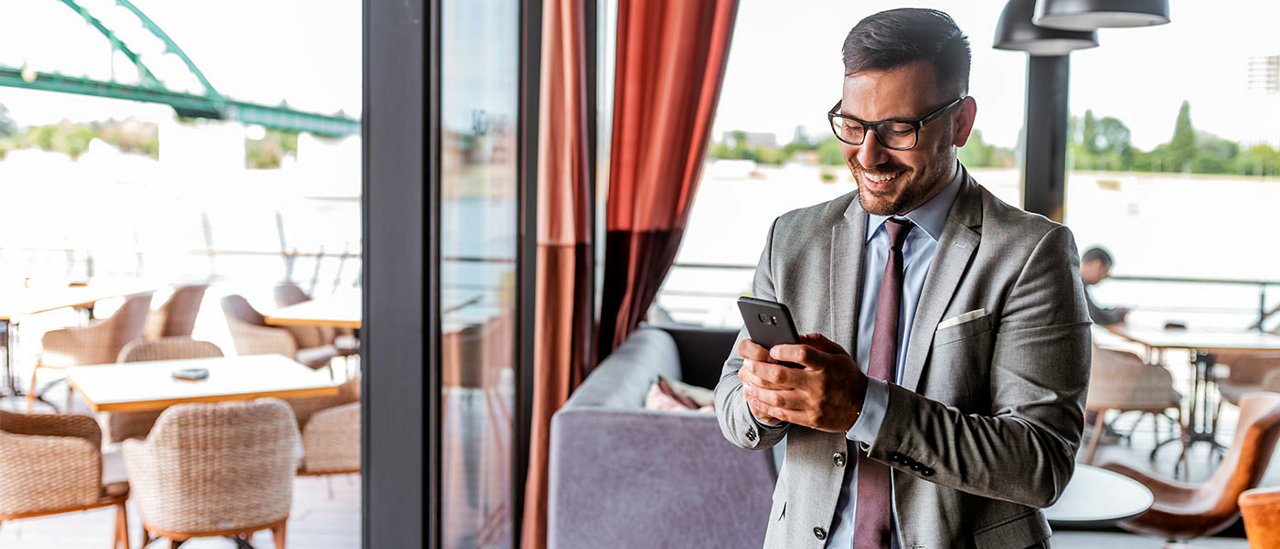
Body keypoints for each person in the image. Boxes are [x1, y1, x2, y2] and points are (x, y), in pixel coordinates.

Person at [713, 9, 1091, 549]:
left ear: (961, 122)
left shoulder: (1033, 253)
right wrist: (764, 398)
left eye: (898, 128)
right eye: (852, 124)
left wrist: (864, 407)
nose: (867, 155)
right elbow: (731, 405)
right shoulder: (791, 238)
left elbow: (1040, 464)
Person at [1080, 246, 1129, 326]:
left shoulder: (1075, 280)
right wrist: (1118, 315)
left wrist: (1114, 311)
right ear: (1098, 265)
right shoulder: (1075, 283)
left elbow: (1093, 309)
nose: (1105, 277)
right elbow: (1094, 315)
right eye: (1106, 271)